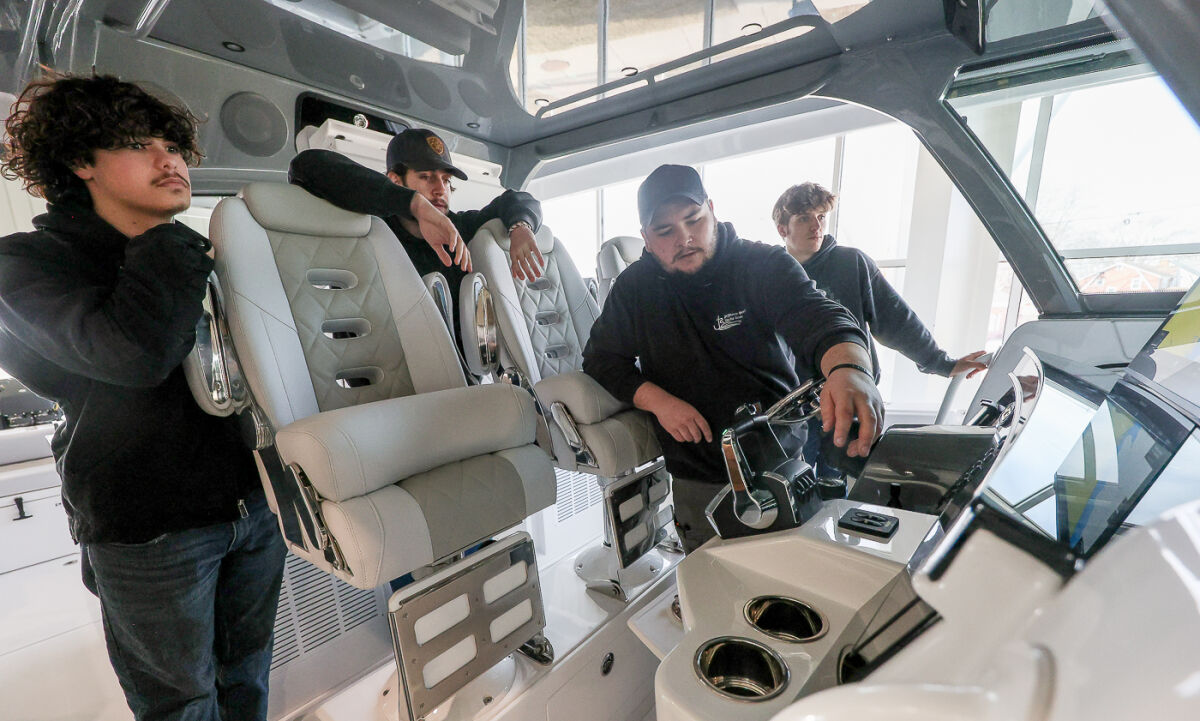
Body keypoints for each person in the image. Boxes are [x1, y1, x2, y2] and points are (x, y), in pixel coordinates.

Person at [0, 75, 285, 721]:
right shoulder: (26, 264)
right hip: (149, 527)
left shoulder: (195, 255)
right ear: (80, 162)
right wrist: (160, 241)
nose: (170, 161)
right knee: (181, 701)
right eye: (137, 144)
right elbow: (133, 355)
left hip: (250, 503)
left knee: (246, 677)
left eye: (173, 145)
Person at [583, 164, 884, 552]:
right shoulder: (634, 290)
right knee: (710, 585)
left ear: (712, 209)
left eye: (694, 220)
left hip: (778, 462)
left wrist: (849, 367)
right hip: (697, 475)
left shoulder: (762, 265)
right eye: (665, 231)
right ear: (646, 237)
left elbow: (820, 316)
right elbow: (602, 359)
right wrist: (659, 403)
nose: (685, 238)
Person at [773, 182, 987, 482]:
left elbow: (896, 319)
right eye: (805, 218)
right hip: (797, 413)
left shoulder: (851, 264)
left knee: (845, 494)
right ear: (783, 229)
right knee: (799, 493)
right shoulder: (772, 276)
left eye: (821, 216)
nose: (816, 226)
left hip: (850, 403)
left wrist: (943, 363)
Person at [289, 128, 546, 339]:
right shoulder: (371, 230)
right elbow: (307, 165)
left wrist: (520, 227)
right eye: (426, 177)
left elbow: (518, 199)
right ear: (396, 180)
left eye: (446, 180)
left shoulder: (462, 230)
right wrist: (414, 204)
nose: (440, 189)